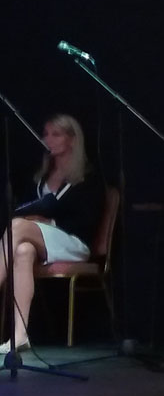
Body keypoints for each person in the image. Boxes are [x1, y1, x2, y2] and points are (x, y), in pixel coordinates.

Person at [0, 114, 105, 354]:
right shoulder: (41, 177)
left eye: (55, 134)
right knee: (23, 250)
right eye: (46, 134)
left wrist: (48, 222)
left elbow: (87, 220)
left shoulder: (88, 178)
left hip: (73, 241)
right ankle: (20, 335)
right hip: (42, 241)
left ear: (72, 139)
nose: (48, 139)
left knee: (17, 226)